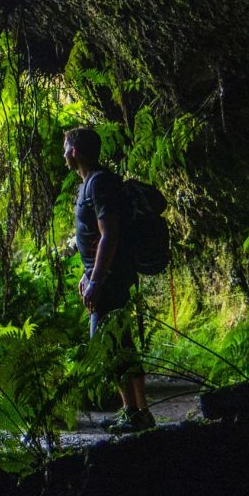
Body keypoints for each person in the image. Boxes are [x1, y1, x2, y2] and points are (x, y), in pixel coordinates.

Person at [63, 126, 152, 433]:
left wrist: (97, 281)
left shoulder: (99, 184)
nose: (63, 155)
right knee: (117, 343)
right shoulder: (92, 183)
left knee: (110, 344)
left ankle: (136, 412)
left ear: (74, 152)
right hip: (105, 276)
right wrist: (88, 275)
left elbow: (109, 234)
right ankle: (135, 411)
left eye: (65, 148)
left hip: (110, 279)